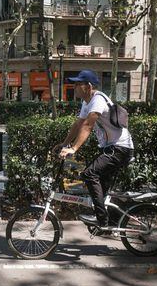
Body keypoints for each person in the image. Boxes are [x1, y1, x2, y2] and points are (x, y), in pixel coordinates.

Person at [55, 70, 134, 227]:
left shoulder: (97, 100)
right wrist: (64, 144)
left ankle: (101, 219)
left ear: (88, 86)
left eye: (78, 84)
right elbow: (78, 124)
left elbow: (88, 125)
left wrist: (74, 148)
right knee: (101, 188)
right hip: (111, 148)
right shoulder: (86, 102)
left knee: (89, 174)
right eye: (74, 84)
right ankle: (112, 220)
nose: (74, 87)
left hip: (120, 148)